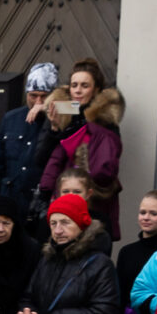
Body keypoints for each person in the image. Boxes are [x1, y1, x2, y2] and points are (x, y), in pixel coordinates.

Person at [35, 61, 126, 238]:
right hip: (59, 198)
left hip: (93, 200)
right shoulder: (58, 113)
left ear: (96, 90)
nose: (77, 90)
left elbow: (106, 166)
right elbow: (40, 160)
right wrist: (54, 130)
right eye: (74, 85)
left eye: (85, 86)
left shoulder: (105, 121)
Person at [0, 65, 58, 214]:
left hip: (42, 205)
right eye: (33, 95)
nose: (38, 101)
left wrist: (48, 109)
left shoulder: (61, 118)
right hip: (10, 201)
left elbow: (78, 108)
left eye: (44, 96)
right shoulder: (10, 118)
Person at [116, 189, 157, 309]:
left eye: (153, 213)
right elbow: (119, 295)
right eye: (142, 212)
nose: (146, 218)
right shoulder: (126, 252)